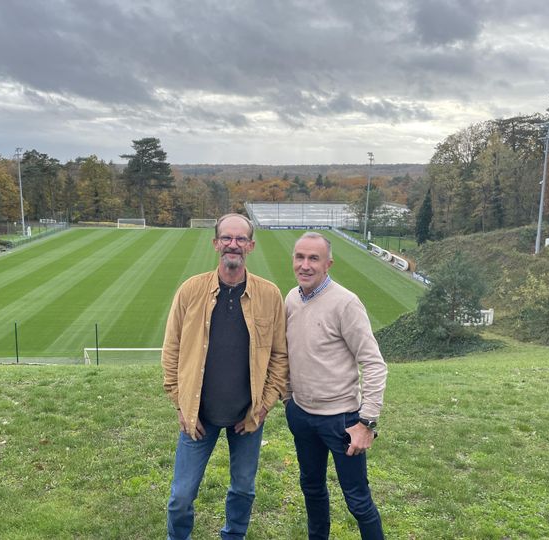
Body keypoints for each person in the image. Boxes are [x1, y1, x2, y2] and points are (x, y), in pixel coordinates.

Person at [161, 213, 289, 540]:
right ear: (216, 243)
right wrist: (180, 406)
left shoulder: (270, 295)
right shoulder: (191, 291)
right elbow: (171, 350)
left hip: (247, 415)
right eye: (227, 238)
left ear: (251, 246)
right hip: (198, 415)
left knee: (244, 490)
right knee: (180, 498)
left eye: (241, 239)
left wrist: (263, 409)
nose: (233, 244)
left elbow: (279, 355)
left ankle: (233, 536)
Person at [284, 232, 388, 540]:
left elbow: (373, 362)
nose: (305, 265)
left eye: (313, 258)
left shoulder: (345, 303)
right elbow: (290, 351)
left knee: (357, 501)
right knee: (312, 488)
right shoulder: (291, 298)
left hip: (341, 420)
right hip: (301, 415)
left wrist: (366, 422)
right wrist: (289, 397)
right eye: (300, 257)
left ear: (328, 264)